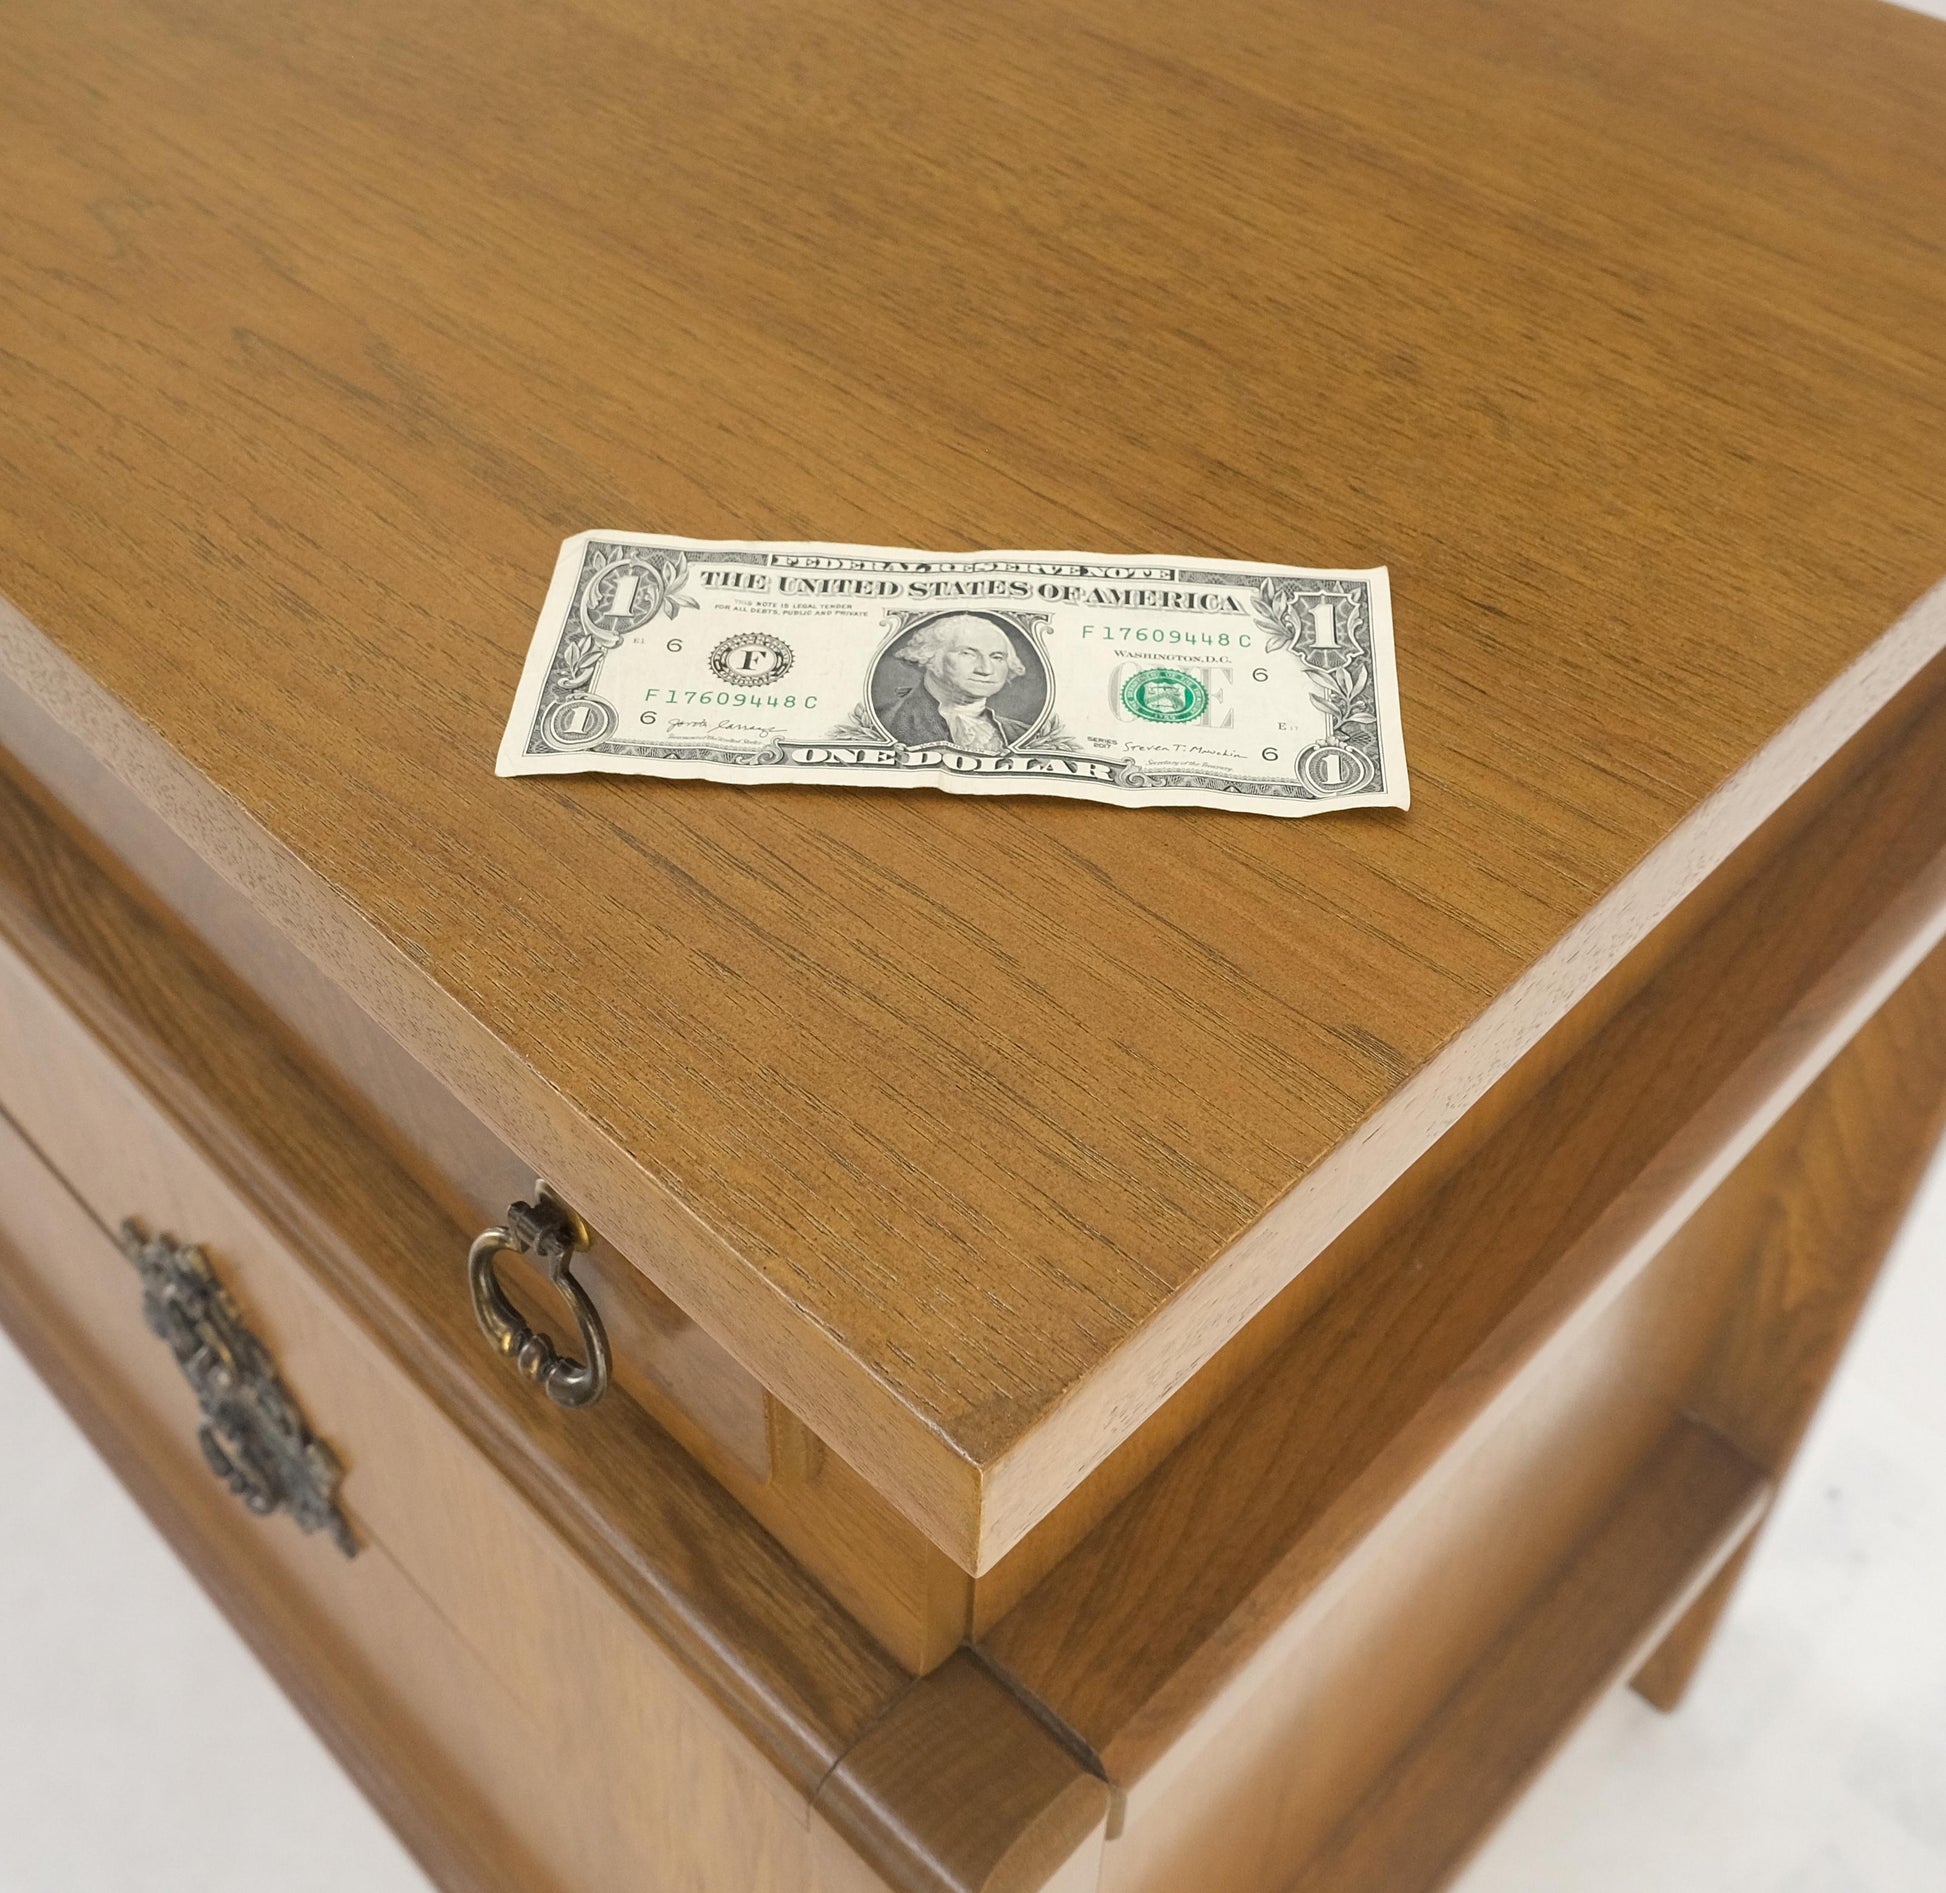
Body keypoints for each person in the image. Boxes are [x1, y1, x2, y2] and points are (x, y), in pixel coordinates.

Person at [877, 614, 1036, 752]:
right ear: (930, 656)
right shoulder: (885, 722)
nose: (986, 669)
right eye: (967, 654)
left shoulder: (1024, 734)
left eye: (997, 657)